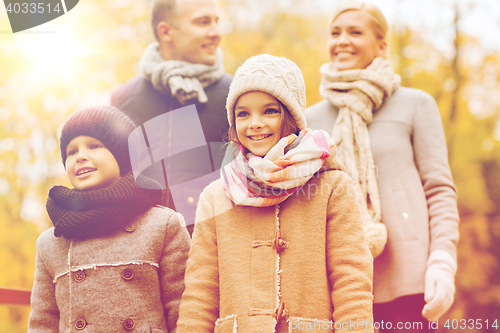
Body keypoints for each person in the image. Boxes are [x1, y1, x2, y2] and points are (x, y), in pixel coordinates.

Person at [176, 55, 374, 333]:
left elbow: (351, 282)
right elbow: (200, 292)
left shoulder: (332, 186)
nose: (254, 123)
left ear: (291, 117)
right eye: (243, 113)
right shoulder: (216, 195)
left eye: (269, 111)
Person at [306, 1, 460, 332]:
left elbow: (440, 190)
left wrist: (442, 262)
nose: (342, 40)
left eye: (355, 32)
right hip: (340, 282)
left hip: (411, 282)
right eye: (335, 33)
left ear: (381, 45)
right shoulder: (310, 119)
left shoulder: (416, 104)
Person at [28, 106, 191, 332]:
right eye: (72, 151)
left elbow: (183, 309)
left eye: (94, 146)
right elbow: (42, 322)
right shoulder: (51, 241)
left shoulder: (163, 224)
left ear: (124, 157)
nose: (81, 156)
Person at [111, 0, 232, 232]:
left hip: (209, 252)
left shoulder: (235, 96)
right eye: (203, 22)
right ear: (166, 31)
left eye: (217, 22)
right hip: (142, 255)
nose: (217, 33)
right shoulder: (121, 99)